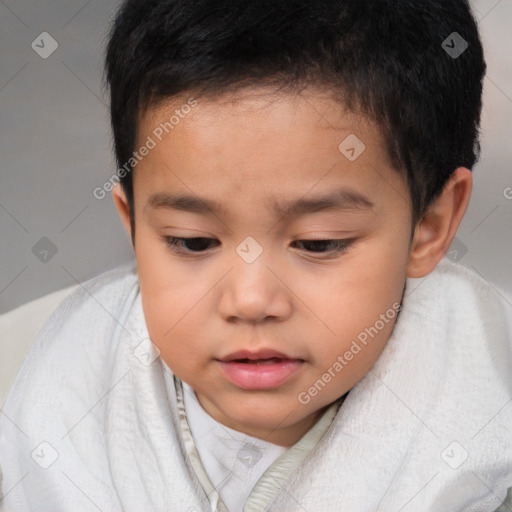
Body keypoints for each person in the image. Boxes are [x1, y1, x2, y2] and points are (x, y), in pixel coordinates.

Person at [1, 0, 511, 510]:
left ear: (430, 226)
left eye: (318, 243)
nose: (249, 300)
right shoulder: (28, 385)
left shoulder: (489, 433)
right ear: (132, 220)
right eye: (192, 241)